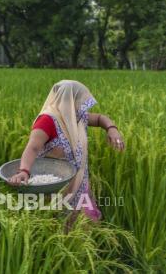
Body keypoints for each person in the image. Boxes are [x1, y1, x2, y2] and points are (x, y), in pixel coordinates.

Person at [7, 80, 124, 230]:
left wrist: (111, 128)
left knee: (85, 226)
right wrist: (24, 171)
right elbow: (32, 148)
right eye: (80, 102)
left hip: (79, 182)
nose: (83, 107)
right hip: (56, 187)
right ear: (69, 101)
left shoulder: (76, 117)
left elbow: (100, 118)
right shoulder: (47, 121)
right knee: (56, 226)